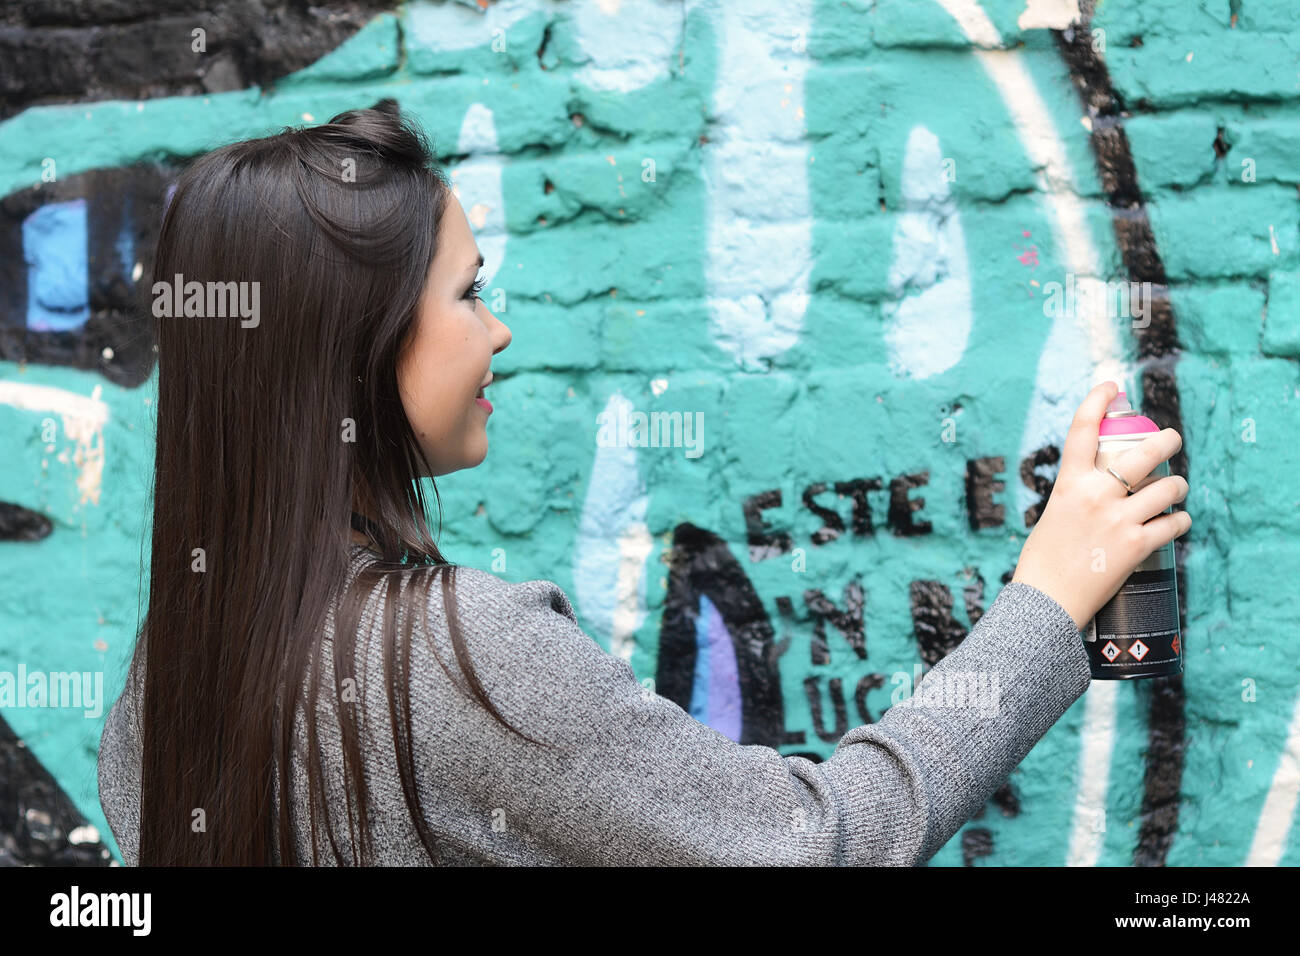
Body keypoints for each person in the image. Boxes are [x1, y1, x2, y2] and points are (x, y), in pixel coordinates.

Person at [97, 100, 1192, 866]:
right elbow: (815, 843)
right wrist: (1045, 598)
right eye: (469, 294)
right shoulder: (459, 656)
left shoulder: (171, 668)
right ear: (357, 345)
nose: (500, 330)